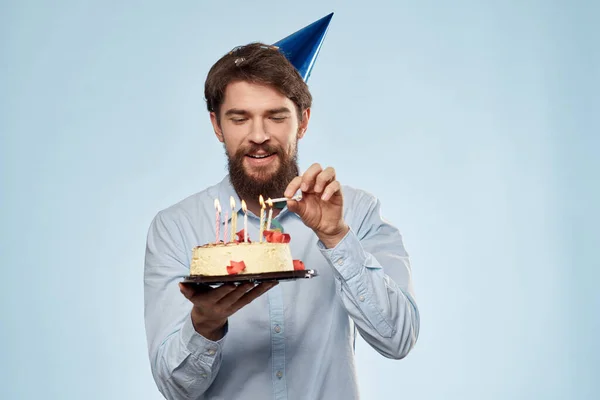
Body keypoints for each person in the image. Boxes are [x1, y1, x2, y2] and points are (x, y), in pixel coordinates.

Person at [144, 17, 419, 400]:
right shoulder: (176, 227)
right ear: (217, 126)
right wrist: (204, 325)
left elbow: (398, 339)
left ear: (303, 121)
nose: (258, 135)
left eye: (276, 116)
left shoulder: (355, 210)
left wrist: (337, 238)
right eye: (240, 118)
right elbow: (175, 389)